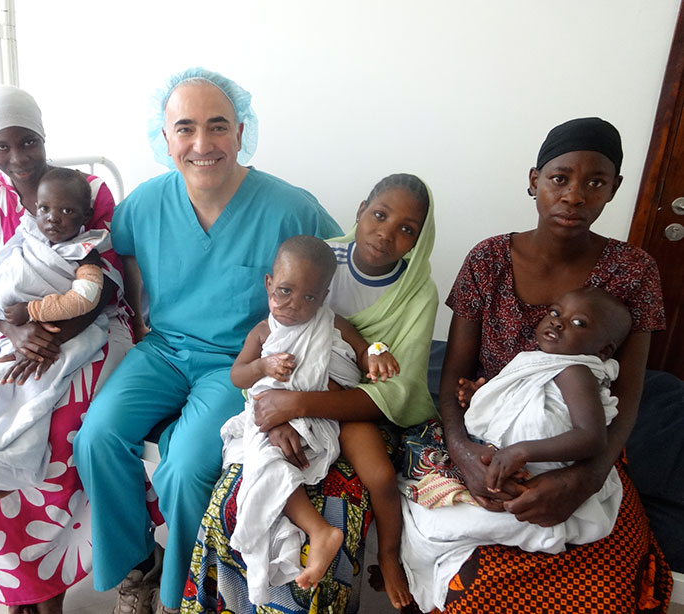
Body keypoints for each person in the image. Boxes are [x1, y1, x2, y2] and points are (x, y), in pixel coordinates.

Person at [72, 68, 341, 614]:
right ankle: (139, 567)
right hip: (165, 351)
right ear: (164, 138)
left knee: (187, 465)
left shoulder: (290, 208)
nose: (202, 144)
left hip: (238, 366)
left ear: (241, 133)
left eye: (217, 127)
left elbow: (341, 273)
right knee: (96, 437)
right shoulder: (147, 203)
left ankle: (183, 592)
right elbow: (120, 259)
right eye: (185, 128)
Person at [435, 117, 671, 613]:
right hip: (486, 443)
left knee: (604, 592)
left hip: (585, 447)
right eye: (560, 178)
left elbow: (628, 396)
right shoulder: (488, 259)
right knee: (466, 586)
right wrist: (462, 454)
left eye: (595, 182)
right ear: (534, 180)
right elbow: (453, 376)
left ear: (614, 189)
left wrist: (583, 479)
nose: (574, 196)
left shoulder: (634, 272)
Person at [184, 173, 438, 614]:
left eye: (406, 229)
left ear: (418, 241)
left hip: (354, 403)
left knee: (378, 477)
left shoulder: (413, 293)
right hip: (280, 404)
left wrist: (371, 357)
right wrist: (278, 408)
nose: (386, 232)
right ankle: (242, 590)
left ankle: (391, 557)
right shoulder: (317, 263)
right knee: (250, 480)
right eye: (379, 215)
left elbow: (372, 358)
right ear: (361, 210)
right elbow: (249, 373)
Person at [0, 86, 135, 614]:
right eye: (2, 147)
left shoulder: (89, 189)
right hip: (20, 334)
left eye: (28, 141)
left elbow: (108, 283)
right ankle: (17, 586)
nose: (17, 158)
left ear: (44, 137)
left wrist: (46, 334)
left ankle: (50, 586)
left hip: (93, 328)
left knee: (55, 433)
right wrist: (17, 335)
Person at [401, 287, 633, 611]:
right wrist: (477, 395)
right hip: (501, 466)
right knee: (420, 513)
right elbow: (514, 400)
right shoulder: (539, 362)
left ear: (604, 349)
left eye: (579, 323)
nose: (559, 323)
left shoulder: (575, 370)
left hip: (537, 479)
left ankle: (423, 585)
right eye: (555, 312)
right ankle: (421, 582)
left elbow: (591, 436)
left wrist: (522, 451)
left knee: (430, 527)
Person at [222, 235, 401, 603]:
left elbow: (364, 352)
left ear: (323, 297)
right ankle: (320, 532)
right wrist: (261, 365)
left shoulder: (333, 323)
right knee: (270, 464)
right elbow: (239, 376)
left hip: (338, 413)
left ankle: (389, 556)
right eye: (284, 291)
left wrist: (379, 354)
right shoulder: (264, 331)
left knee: (382, 476)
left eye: (309, 297)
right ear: (269, 283)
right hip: (277, 417)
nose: (294, 305)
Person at [0, 168, 108, 500]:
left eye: (67, 211)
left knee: (40, 393)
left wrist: (32, 312)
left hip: (73, 334)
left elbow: (85, 298)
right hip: (20, 332)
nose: (53, 219)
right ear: (34, 209)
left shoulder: (86, 252)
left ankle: (13, 468)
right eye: (45, 209)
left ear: (85, 217)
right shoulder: (26, 241)